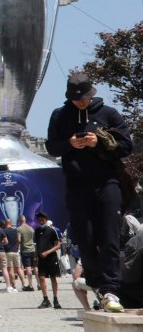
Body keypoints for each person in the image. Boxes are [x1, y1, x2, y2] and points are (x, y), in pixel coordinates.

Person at [46, 71, 132, 314]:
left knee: (109, 236)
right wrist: (69, 144)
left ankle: (111, 288)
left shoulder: (109, 114)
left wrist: (99, 142)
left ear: (91, 94)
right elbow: (52, 147)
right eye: (76, 99)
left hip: (107, 181)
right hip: (77, 184)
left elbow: (126, 146)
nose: (81, 102)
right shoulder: (59, 115)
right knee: (84, 236)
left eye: (84, 98)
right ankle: (96, 282)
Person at [35, 210, 62, 309]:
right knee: (41, 278)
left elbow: (58, 245)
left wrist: (47, 252)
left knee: (53, 278)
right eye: (39, 219)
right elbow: (38, 244)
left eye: (42, 219)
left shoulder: (52, 230)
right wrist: (36, 255)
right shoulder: (37, 231)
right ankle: (45, 299)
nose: (41, 221)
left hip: (51, 257)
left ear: (46, 219)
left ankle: (55, 299)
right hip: (41, 258)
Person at [2, 218, 24, 291]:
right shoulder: (16, 230)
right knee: (19, 268)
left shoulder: (4, 231)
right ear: (11, 223)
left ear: (5, 223)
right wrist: (16, 246)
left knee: (10, 269)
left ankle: (14, 285)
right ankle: (24, 284)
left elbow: (3, 241)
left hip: (8, 252)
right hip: (16, 251)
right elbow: (19, 240)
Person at [18, 214, 37, 291]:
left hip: (25, 250)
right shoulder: (31, 228)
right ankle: (39, 284)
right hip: (33, 249)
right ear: (25, 220)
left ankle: (31, 285)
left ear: (19, 221)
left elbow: (19, 240)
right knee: (35, 267)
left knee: (28, 268)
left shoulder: (19, 229)